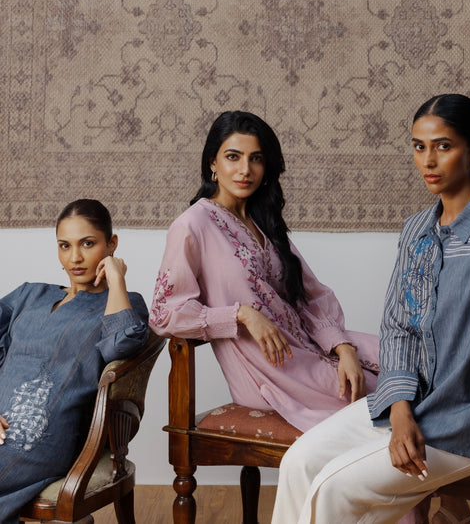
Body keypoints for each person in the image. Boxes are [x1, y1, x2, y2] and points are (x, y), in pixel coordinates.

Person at [271, 93, 470, 524]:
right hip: (412, 406)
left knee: (335, 488)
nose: (428, 160)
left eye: (443, 146)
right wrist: (399, 410)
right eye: (418, 146)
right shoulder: (416, 231)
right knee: (298, 462)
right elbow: (398, 328)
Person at [149, 110, 380, 433]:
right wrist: (241, 315)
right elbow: (164, 314)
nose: (245, 170)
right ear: (213, 163)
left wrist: (342, 347)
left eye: (255, 158)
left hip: (310, 346)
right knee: (382, 395)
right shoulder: (191, 226)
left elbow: (310, 295)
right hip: (272, 370)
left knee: (403, 358)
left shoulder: (263, 222)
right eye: (233, 157)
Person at [0, 199, 149, 524]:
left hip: (40, 437)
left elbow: (121, 345)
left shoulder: (124, 304)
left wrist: (116, 280)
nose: (75, 258)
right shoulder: (29, 295)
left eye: (88, 243)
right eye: (65, 245)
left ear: (111, 244)